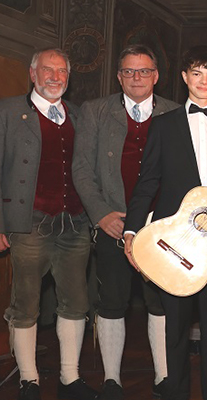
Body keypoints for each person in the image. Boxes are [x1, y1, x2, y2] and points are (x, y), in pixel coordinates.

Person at [123, 45, 207, 400]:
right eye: (196, 73)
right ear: (184, 78)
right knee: (177, 328)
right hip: (174, 244)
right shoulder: (163, 126)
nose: (204, 81)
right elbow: (147, 183)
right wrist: (132, 231)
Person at [73, 44, 178, 400]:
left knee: (159, 302)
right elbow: (82, 169)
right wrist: (101, 214)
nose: (137, 77)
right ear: (119, 76)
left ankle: (164, 377)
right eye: (129, 71)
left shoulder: (176, 113)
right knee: (112, 301)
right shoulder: (95, 111)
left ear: (156, 76)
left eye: (144, 71)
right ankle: (112, 380)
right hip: (113, 223)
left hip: (159, 227)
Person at [0, 48, 98, 400]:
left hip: (74, 224)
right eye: (47, 70)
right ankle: (30, 379)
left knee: (75, 301)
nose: (55, 77)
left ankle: (70, 378)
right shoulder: (8, 112)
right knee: (25, 303)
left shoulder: (79, 115)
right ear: (32, 73)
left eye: (61, 71)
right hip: (29, 223)